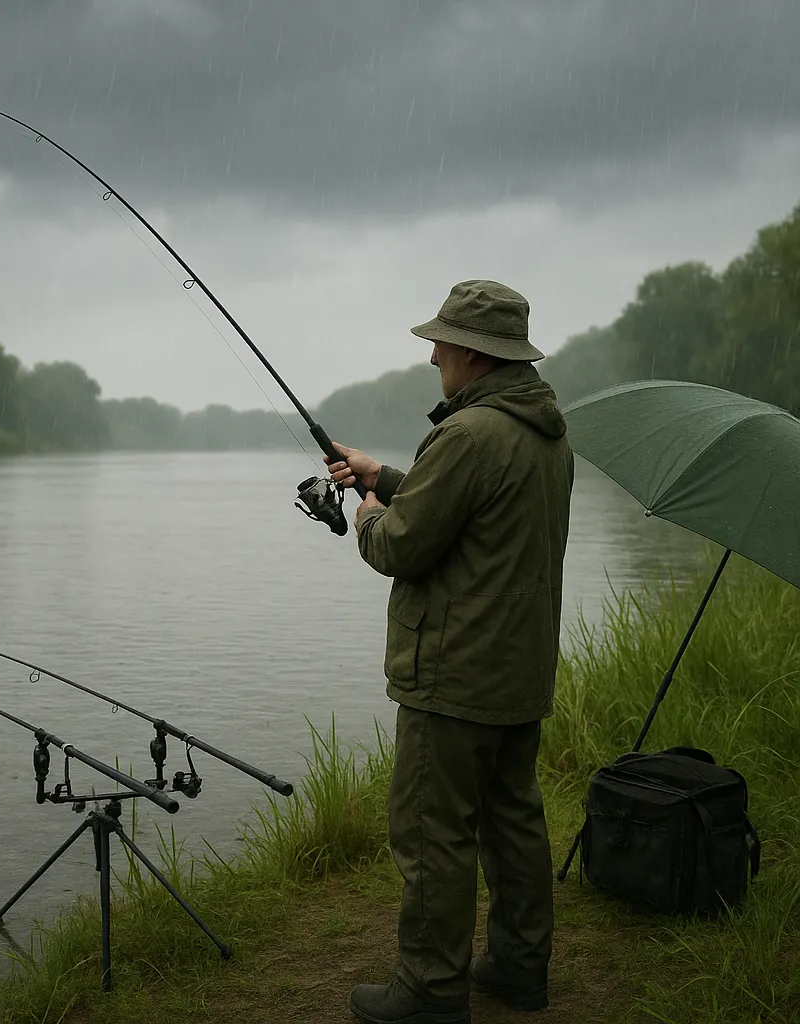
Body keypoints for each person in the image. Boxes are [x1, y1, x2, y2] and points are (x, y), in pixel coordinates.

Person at [327, 280, 575, 1024]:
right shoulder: (544, 431)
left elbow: (403, 546)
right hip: (517, 670)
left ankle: (431, 991)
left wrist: (371, 515)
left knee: (435, 835)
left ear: (472, 352)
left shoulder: (466, 435)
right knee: (513, 822)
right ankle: (521, 967)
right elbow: (475, 512)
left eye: (441, 343)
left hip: (454, 676)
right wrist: (388, 477)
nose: (432, 354)